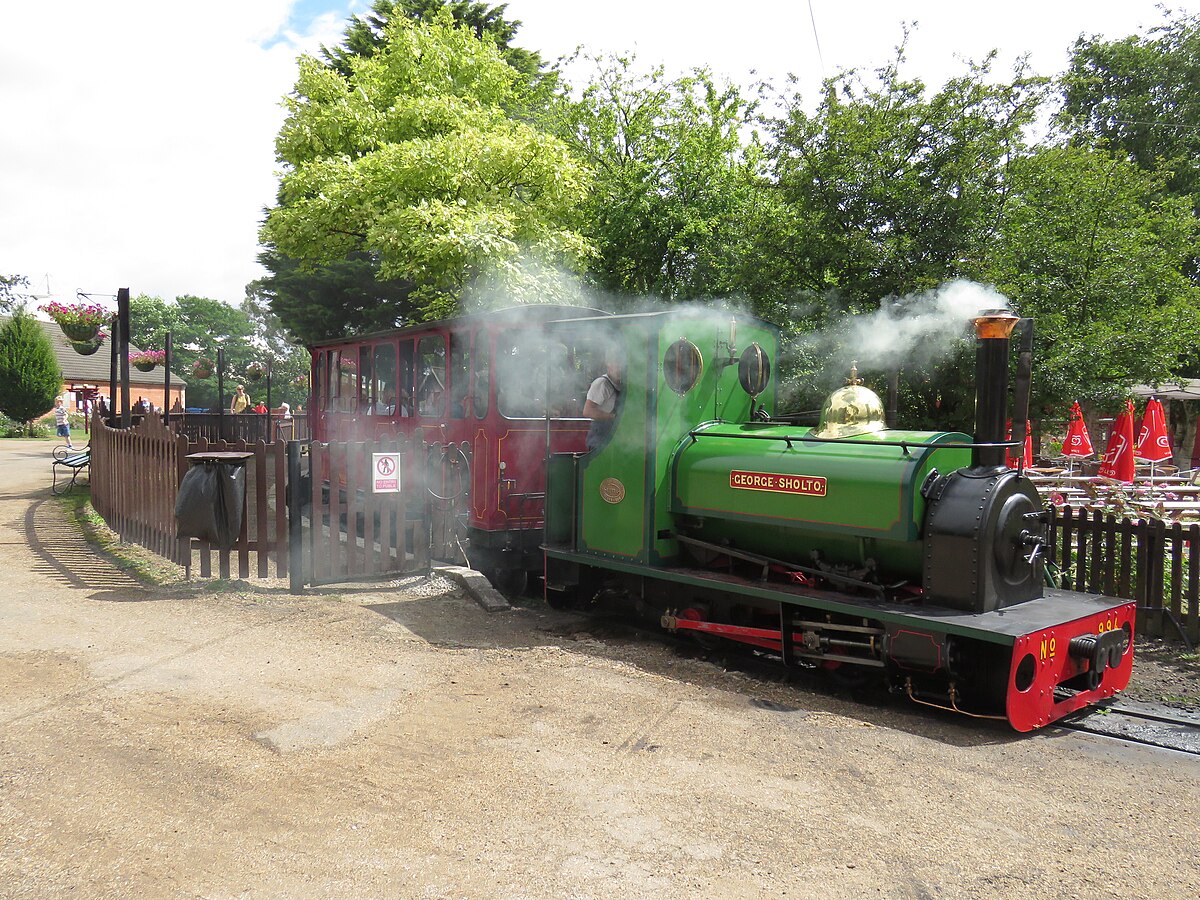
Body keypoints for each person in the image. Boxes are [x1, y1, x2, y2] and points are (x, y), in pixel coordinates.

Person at [583, 352, 623, 450]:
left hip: (612, 437)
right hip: (599, 438)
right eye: (616, 363)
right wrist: (614, 417)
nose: (619, 367)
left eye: (621, 364)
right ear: (608, 364)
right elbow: (588, 411)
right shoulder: (602, 383)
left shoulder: (621, 385)